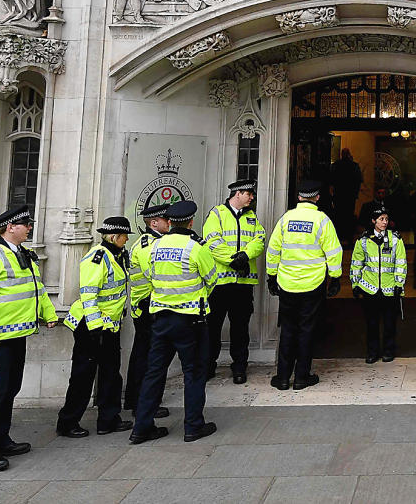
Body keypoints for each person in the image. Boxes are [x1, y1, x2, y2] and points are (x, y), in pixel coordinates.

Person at [0, 206, 59, 472]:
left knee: (8, 390)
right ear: (9, 227)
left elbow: (35, 288)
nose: (29, 227)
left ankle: (0, 438)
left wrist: (47, 313)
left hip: (15, 335)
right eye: (25, 224)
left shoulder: (23, 254)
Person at [130, 200, 218, 445]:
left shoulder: (156, 247)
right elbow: (212, 279)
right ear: (190, 222)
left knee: (154, 373)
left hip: (161, 319)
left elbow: (149, 275)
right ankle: (193, 426)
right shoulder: (196, 248)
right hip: (190, 321)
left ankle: (141, 428)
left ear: (169, 223)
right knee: (194, 373)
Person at [56, 217, 133, 438]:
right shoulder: (97, 257)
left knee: (111, 374)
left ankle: (108, 420)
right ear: (114, 237)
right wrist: (95, 327)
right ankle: (67, 422)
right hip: (90, 326)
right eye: (124, 235)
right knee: (83, 376)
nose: (127, 239)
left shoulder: (118, 255)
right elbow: (88, 294)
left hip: (109, 326)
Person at [266, 181, 343, 390]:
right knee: (307, 330)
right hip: (312, 284)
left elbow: (273, 250)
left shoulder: (285, 219)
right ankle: (302, 377)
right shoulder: (322, 221)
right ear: (317, 198)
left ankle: (282, 377)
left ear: (299, 197)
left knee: (288, 330)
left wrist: (271, 276)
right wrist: (335, 278)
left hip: (287, 283)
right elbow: (334, 252)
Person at [202, 179, 267, 383]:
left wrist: (245, 257)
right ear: (237, 194)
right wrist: (234, 260)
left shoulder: (251, 216)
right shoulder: (217, 214)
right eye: (249, 194)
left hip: (243, 284)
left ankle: (239, 367)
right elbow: (212, 242)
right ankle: (208, 366)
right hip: (220, 284)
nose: (252, 197)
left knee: (241, 328)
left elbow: (260, 239)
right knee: (213, 327)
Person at [124, 202, 171, 420]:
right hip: (147, 305)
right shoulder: (147, 245)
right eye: (165, 220)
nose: (169, 223)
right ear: (154, 222)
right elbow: (155, 275)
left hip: (150, 304)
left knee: (147, 354)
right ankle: (141, 403)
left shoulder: (156, 242)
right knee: (148, 357)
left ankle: (141, 400)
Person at [350, 205, 406, 363]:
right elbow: (356, 264)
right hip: (370, 287)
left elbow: (401, 263)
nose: (385, 222)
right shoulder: (363, 240)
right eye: (381, 219)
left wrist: (398, 284)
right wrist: (355, 285)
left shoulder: (395, 239)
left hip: (389, 288)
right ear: (373, 220)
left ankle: (388, 351)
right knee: (371, 323)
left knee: (389, 323)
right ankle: (372, 352)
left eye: (387, 219)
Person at [329, 149, 363, 238]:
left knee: (339, 215)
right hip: (350, 196)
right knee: (348, 215)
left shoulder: (336, 165)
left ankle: (340, 234)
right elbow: (359, 180)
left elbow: (331, 180)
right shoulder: (354, 166)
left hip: (339, 195)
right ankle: (348, 234)